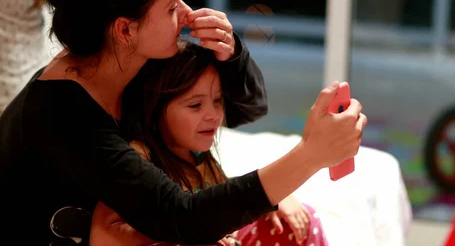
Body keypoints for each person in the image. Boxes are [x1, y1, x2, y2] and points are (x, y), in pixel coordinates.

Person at [0, 0, 367, 246]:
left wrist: (231, 54)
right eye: (172, 5)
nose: (188, 15)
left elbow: (246, 109)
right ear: (125, 29)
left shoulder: (133, 63)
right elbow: (180, 216)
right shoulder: (62, 114)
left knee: (297, 226)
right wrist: (311, 156)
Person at [90, 41, 328, 246]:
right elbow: (105, 234)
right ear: (155, 110)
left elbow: (229, 202)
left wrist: (274, 200)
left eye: (217, 100)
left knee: (301, 220)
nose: (214, 115)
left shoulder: (198, 155)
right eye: (195, 105)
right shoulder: (138, 157)